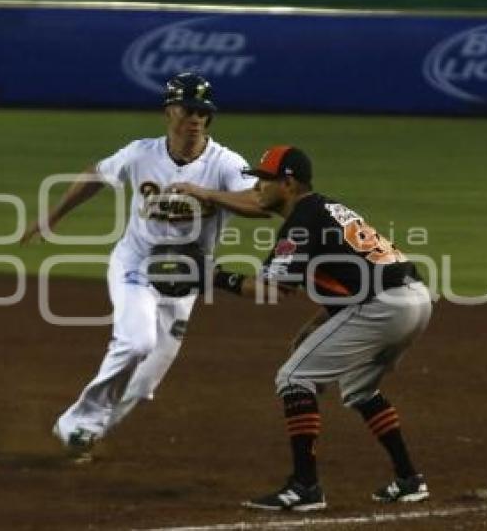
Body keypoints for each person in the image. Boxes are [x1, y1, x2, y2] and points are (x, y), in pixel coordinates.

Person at [20, 73, 263, 461]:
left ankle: (87, 433)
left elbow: (258, 202)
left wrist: (206, 193)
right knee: (136, 342)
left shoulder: (226, 163)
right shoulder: (141, 153)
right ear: (170, 111)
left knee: (145, 381)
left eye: (203, 111)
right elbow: (94, 175)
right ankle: (76, 423)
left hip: (185, 278)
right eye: (188, 109)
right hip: (136, 263)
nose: (196, 118)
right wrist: (54, 215)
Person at [177, 145, 432, 510]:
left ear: (289, 182)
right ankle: (409, 479)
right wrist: (318, 322)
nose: (258, 189)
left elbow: (273, 288)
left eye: (265, 180)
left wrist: (213, 277)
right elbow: (354, 273)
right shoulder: (327, 209)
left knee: (294, 378)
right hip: (415, 299)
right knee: (360, 389)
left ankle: (305, 487)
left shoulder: (300, 222)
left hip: (385, 305)